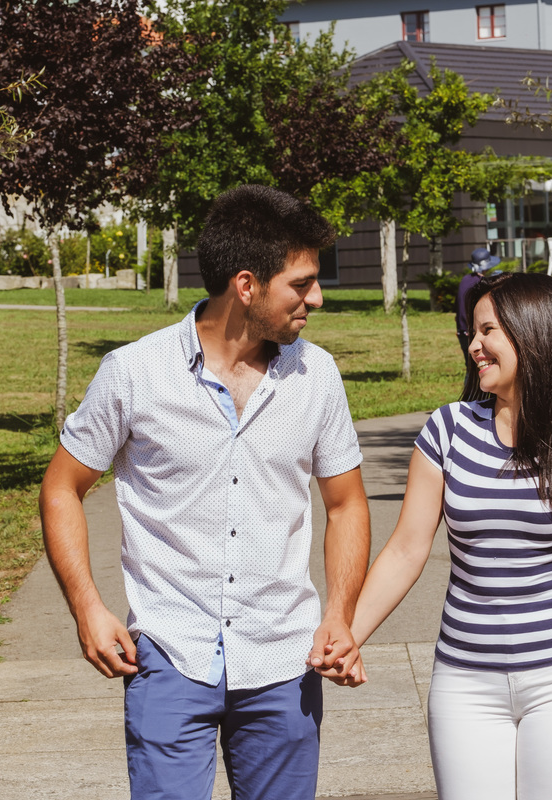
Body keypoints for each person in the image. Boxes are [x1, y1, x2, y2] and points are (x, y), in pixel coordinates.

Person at [40, 184, 371, 800]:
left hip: (283, 657)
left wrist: (340, 614)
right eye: (301, 284)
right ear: (246, 286)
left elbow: (346, 502)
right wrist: (87, 606)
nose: (316, 299)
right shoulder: (134, 374)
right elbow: (63, 486)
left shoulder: (316, 376)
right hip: (170, 653)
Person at [328, 273, 552, 799]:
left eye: (488, 331)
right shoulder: (447, 429)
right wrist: (350, 632)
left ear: (534, 336)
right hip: (465, 680)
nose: (474, 346)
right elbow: (407, 548)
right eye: (473, 332)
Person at [456, 247, 502, 357]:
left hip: (462, 330)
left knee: (470, 368)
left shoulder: (465, 279)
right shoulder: (481, 284)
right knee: (478, 369)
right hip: (474, 331)